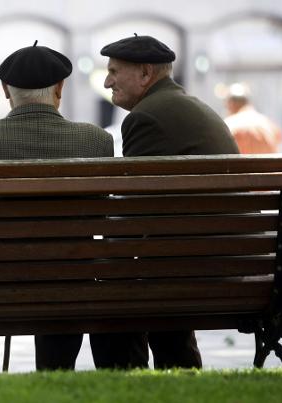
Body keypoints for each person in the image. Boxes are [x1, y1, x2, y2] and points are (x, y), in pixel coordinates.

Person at [0, 41, 114, 370]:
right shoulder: (96, 141)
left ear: (5, 90)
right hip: (70, 278)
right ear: (59, 88)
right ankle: (54, 373)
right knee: (66, 270)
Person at [97, 34, 239, 369]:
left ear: (145, 73)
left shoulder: (146, 117)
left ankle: (127, 383)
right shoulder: (189, 106)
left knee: (114, 291)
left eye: (115, 71)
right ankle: (180, 370)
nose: (107, 81)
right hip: (228, 256)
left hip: (198, 265)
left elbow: (135, 215)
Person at [224, 82, 282, 154]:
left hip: (240, 165)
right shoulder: (270, 125)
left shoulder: (228, 126)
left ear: (231, 104)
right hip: (270, 165)